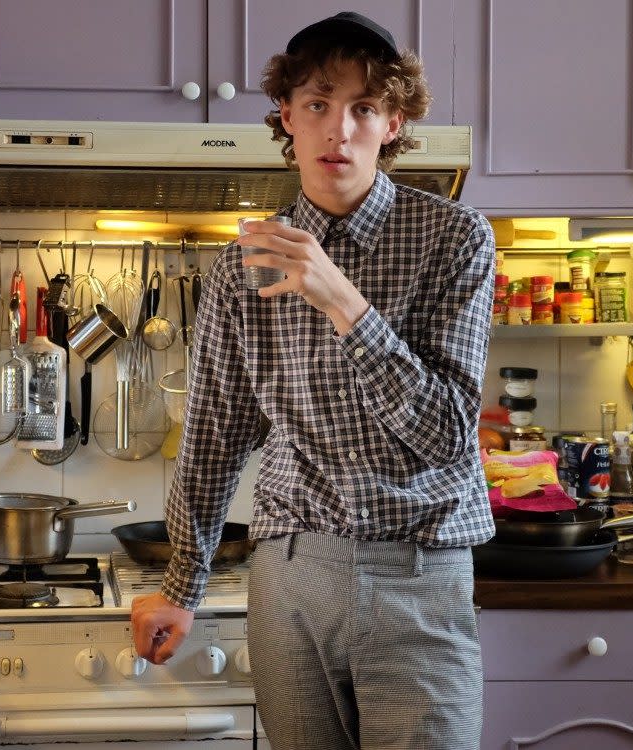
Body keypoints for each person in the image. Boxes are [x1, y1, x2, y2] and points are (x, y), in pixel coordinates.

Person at [131, 11, 495, 749]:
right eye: (319, 105)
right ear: (286, 119)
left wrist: (341, 299)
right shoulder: (242, 266)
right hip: (291, 575)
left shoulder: (454, 239)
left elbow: (447, 436)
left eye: (364, 108)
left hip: (418, 575)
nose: (339, 130)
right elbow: (215, 433)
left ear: (393, 124)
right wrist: (181, 584)